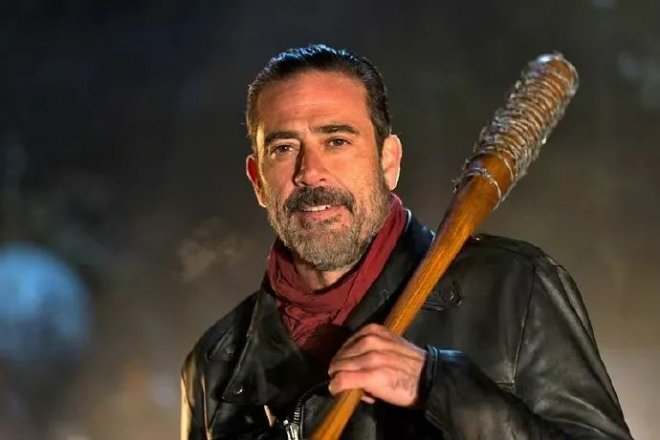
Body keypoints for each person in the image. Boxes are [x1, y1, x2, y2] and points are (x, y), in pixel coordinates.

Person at [180, 44, 632, 439]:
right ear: (258, 180)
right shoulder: (214, 367)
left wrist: (439, 384)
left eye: (336, 141)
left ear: (389, 162)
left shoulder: (513, 290)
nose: (310, 172)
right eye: (284, 148)